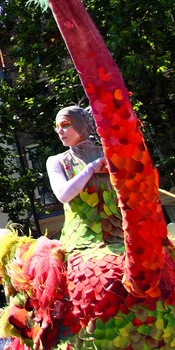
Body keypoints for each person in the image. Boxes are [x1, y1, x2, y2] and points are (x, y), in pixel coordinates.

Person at [45, 106, 117, 249]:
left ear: (81, 124)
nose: (59, 131)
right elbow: (63, 195)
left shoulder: (110, 154)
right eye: (57, 127)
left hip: (121, 233)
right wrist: (90, 168)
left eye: (65, 125)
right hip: (82, 241)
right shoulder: (56, 161)